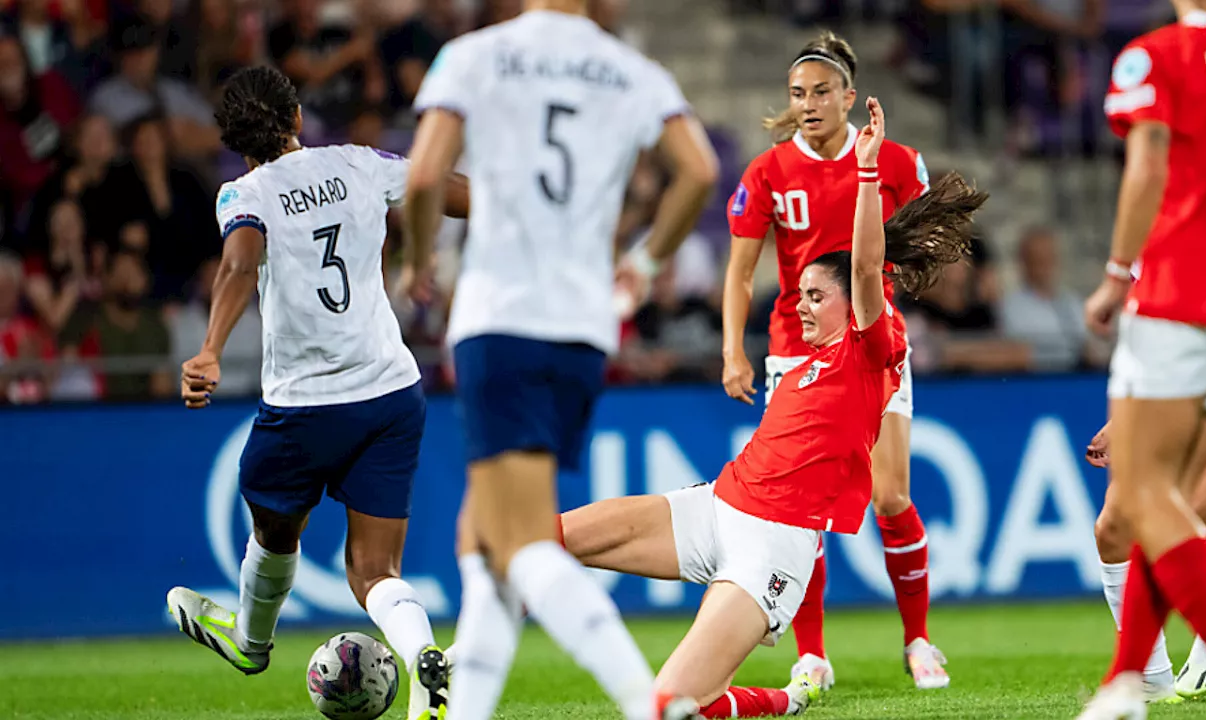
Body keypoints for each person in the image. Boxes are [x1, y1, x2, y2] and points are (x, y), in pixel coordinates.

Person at [559, 102, 985, 718]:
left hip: (772, 549)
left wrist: (865, 175)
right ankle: (468, 657)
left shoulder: (872, 348)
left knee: (669, 706)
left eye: (816, 296)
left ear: (854, 303)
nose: (801, 307)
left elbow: (866, 264)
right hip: (713, 507)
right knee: (546, 538)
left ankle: (786, 698)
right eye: (801, 294)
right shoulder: (803, 361)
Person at [402, 1, 719, 718]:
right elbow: (698, 169)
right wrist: (643, 263)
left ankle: (649, 701)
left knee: (519, 544)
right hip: (583, 328)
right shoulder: (630, 68)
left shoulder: (476, 54)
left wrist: (419, 259)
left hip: (502, 318)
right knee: (482, 538)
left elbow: (423, 178)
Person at [163, 65, 466, 720]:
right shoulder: (361, 163)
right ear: (297, 118)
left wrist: (211, 347)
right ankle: (423, 663)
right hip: (391, 392)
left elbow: (241, 263)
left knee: (274, 532)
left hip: (303, 406)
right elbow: (443, 188)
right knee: (374, 571)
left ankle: (250, 642)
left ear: (237, 145)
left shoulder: (243, 193)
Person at [719, 29, 946, 692]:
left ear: (850, 96)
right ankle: (811, 654)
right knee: (803, 506)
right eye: (798, 94)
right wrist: (734, 349)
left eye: (821, 91)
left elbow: (927, 242)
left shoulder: (897, 162)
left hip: (875, 343)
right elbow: (739, 272)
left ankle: (919, 641)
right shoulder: (767, 172)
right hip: (796, 350)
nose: (809, 103)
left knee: (891, 493)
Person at [1078, 3, 1206, 718]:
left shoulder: (1158, 54)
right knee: (1156, 497)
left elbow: (1150, 155)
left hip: (1178, 293)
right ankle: (1128, 682)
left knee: (1145, 497)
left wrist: (1116, 269)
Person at [1086, 339, 1206, 702]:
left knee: (1187, 511)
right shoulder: (1147, 283)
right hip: (1198, 395)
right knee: (1113, 528)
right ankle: (1150, 681)